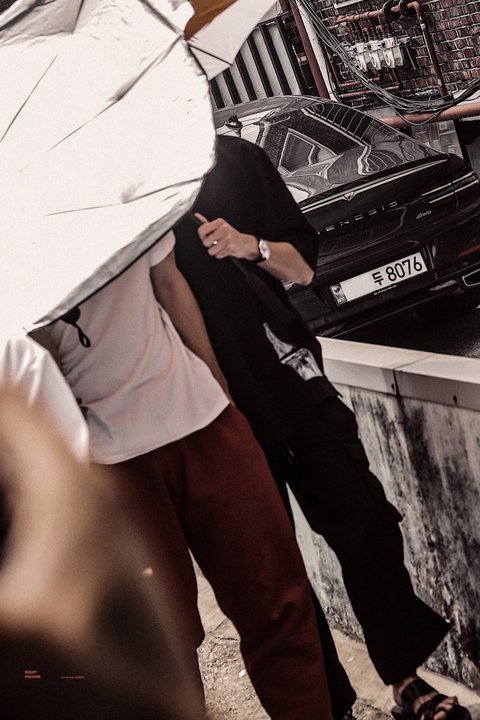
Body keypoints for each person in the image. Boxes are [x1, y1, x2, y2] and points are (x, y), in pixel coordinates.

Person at [173, 135, 471, 720]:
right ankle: (329, 707)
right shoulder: (128, 203)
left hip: (292, 379)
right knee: (276, 576)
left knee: (367, 524)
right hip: (214, 411)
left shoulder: (234, 159)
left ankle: (405, 680)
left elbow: (303, 267)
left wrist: (248, 244)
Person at [31, 230, 333, 720]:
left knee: (277, 603)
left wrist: (221, 390)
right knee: (159, 640)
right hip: (110, 461)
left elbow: (169, 283)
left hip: (202, 421)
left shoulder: (116, 204)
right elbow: (32, 360)